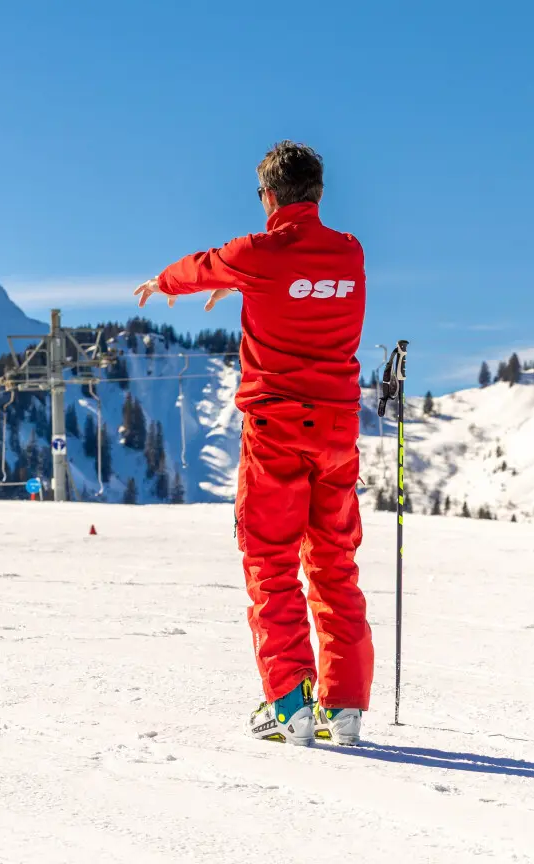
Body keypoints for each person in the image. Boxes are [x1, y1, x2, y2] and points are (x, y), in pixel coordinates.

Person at [132, 140, 372, 746]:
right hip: (339, 432)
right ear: (318, 194)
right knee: (335, 563)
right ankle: (342, 708)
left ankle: (290, 702)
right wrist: (249, 285)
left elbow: (202, 265)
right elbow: (297, 284)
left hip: (276, 434)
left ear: (268, 196)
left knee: (270, 563)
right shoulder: (349, 252)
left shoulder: (257, 253)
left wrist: (165, 284)